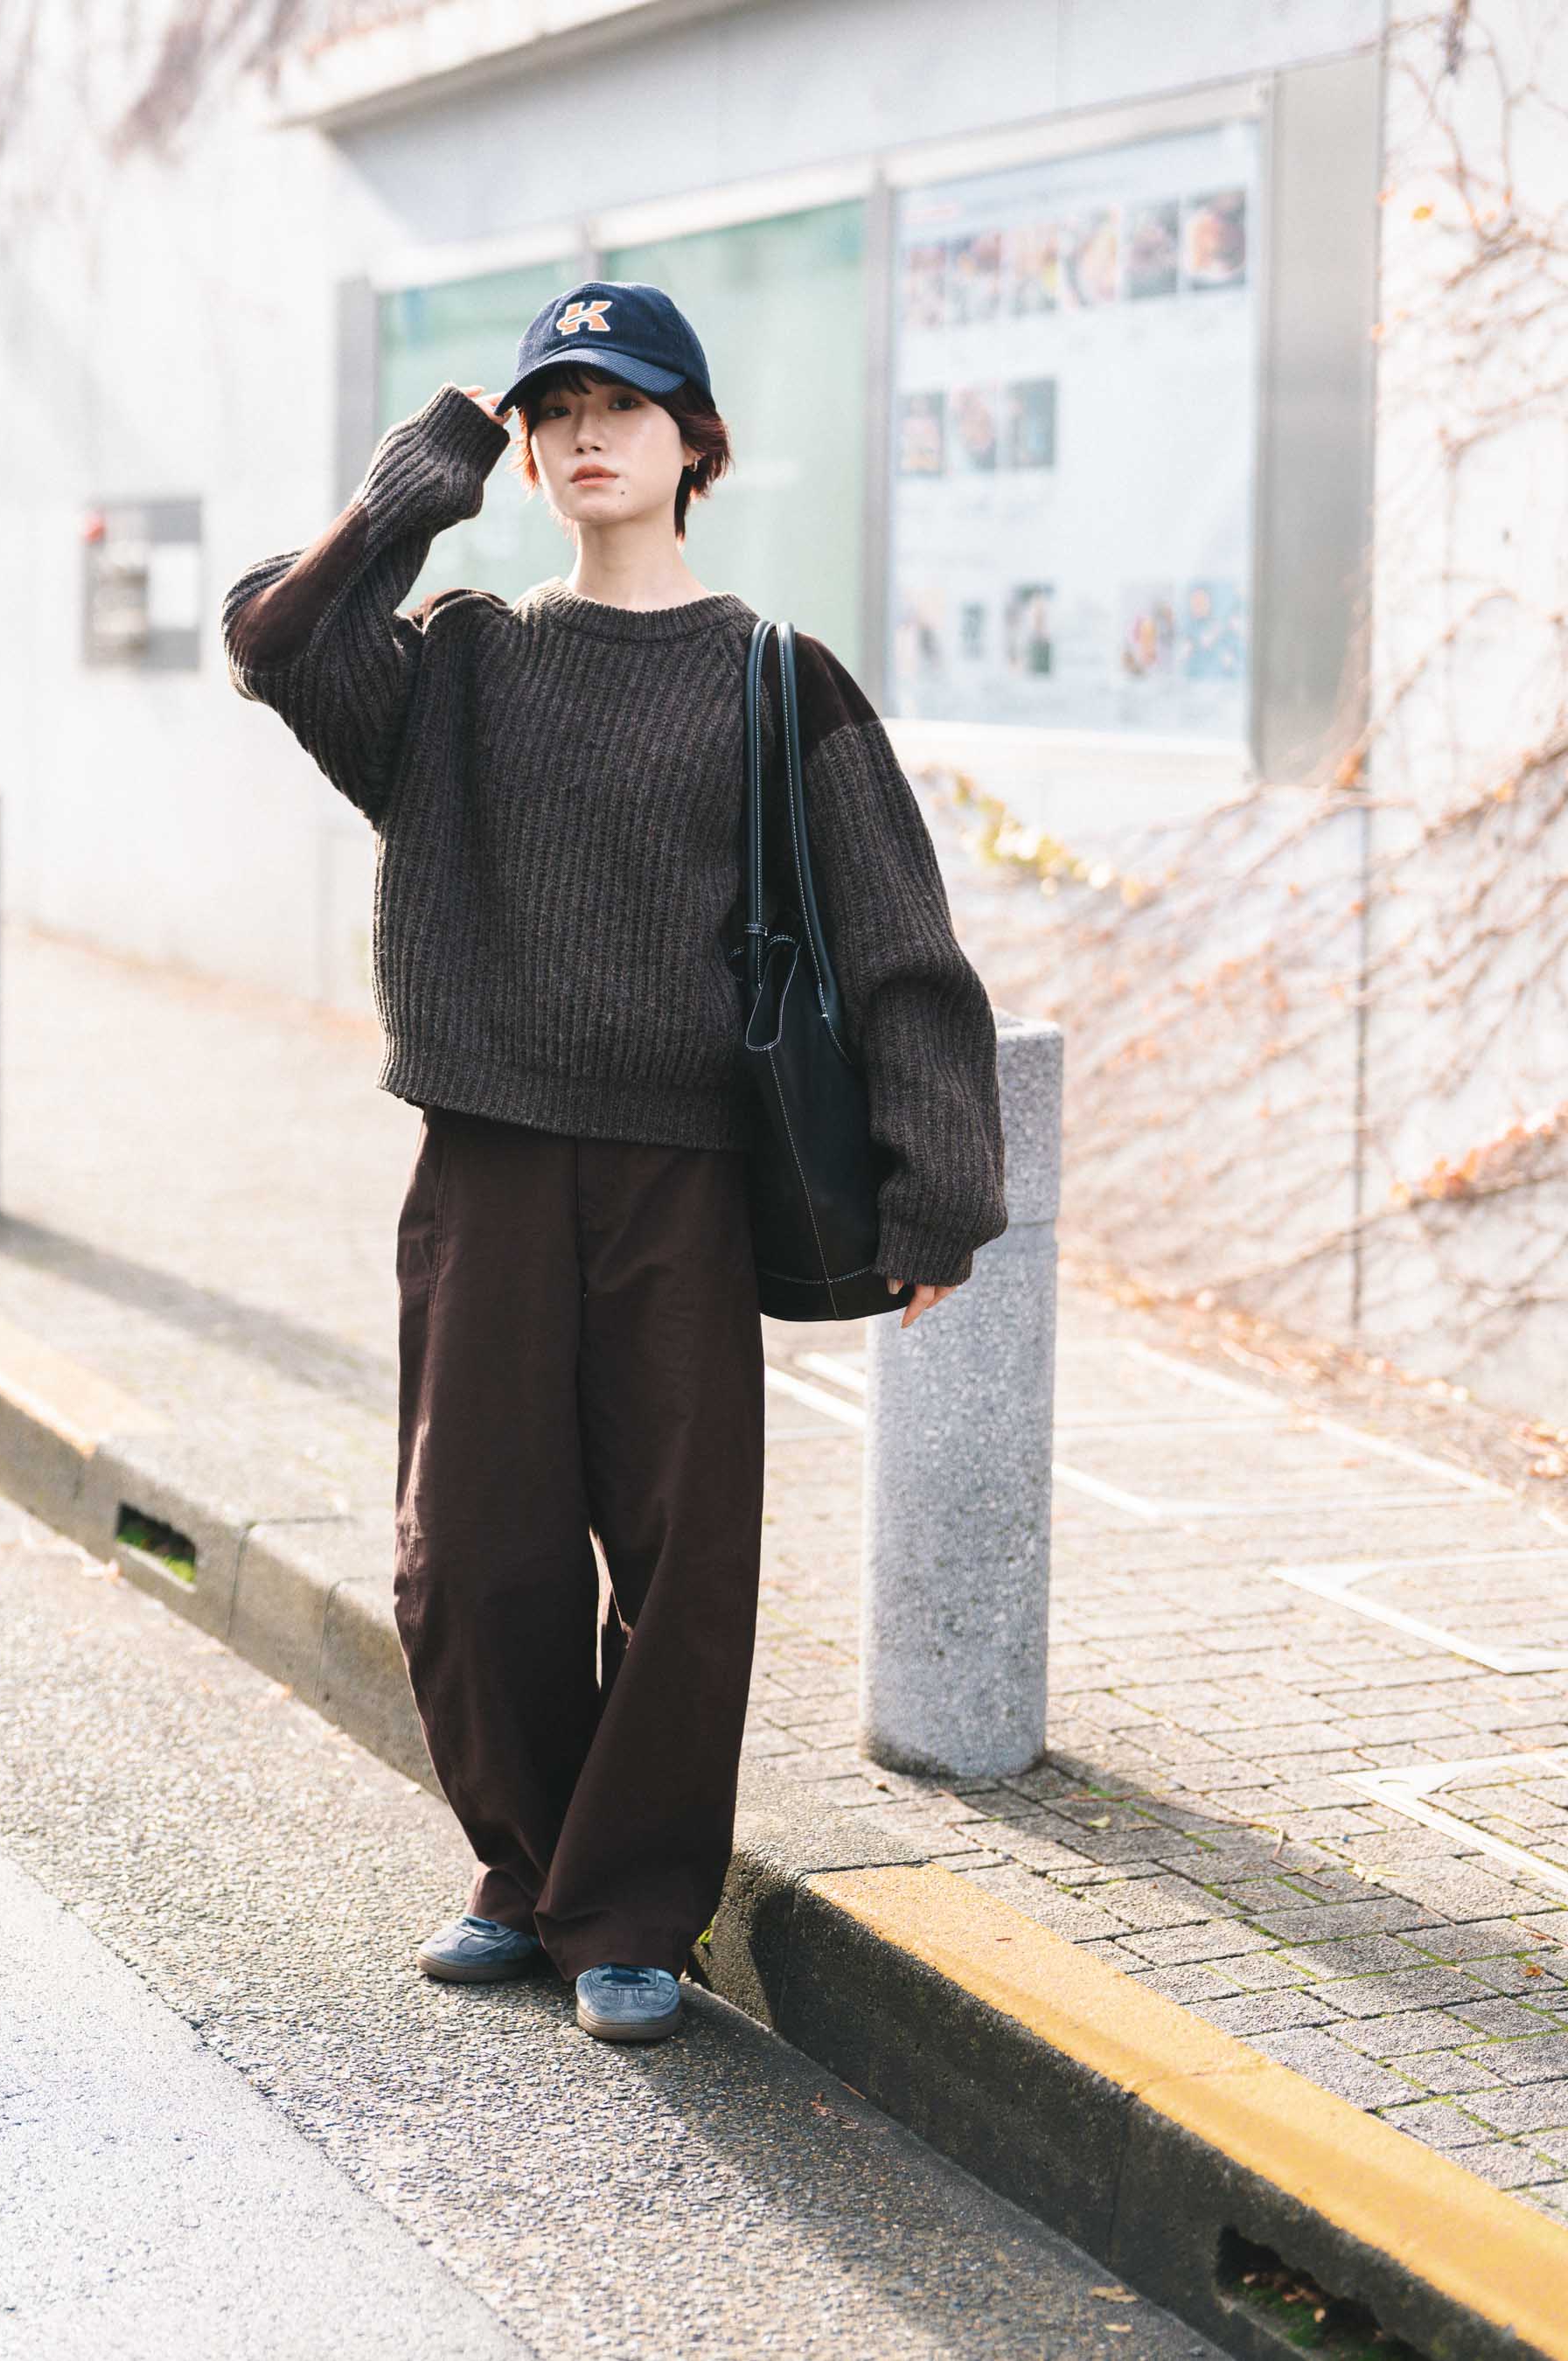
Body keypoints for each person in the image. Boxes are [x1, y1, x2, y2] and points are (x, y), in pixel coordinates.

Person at [219, 280, 1007, 2044]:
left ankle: (632, 1907)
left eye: (624, 406)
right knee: (467, 1556)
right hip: (489, 1159)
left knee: (680, 1563)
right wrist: (418, 481)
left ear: (693, 442)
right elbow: (277, 643)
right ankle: (525, 1869)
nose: (586, 434)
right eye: (552, 409)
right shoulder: (462, 662)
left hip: (685, 1175)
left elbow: (898, 937)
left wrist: (939, 1181)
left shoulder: (775, 675)